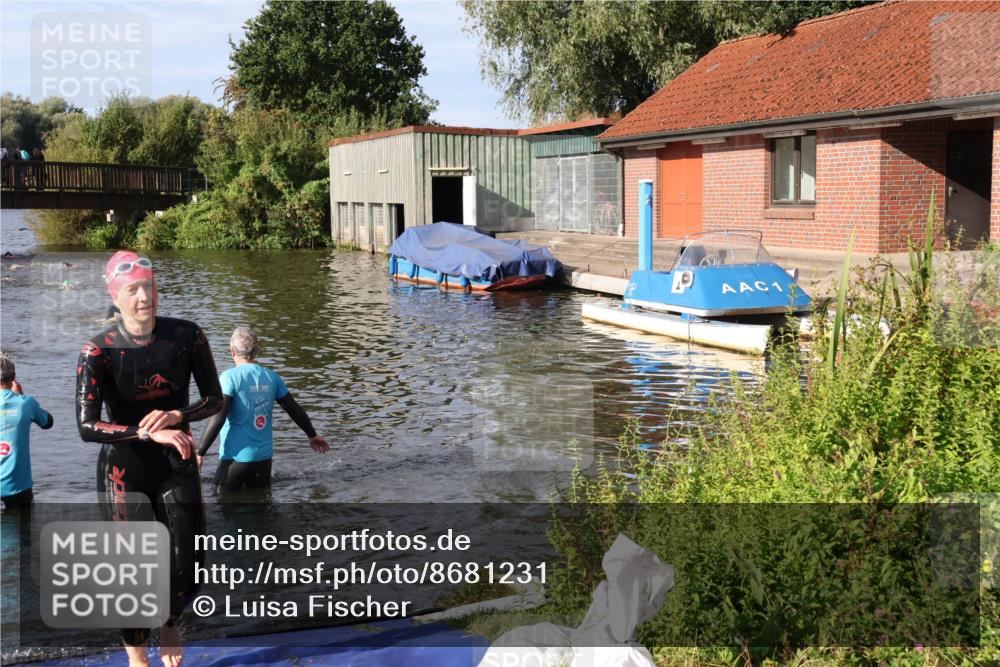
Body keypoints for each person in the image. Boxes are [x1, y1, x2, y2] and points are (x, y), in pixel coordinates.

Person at [76, 250, 222, 667]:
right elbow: (87, 426)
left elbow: (214, 399)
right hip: (125, 470)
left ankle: (172, 622)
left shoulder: (186, 336)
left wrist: (178, 414)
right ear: (116, 297)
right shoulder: (98, 351)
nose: (145, 297)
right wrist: (143, 430)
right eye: (134, 289)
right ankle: (138, 659)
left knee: (189, 565)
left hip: (175, 464)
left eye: (150, 286)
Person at [198, 326, 329, 494]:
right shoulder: (271, 377)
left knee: (222, 507)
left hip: (236, 459)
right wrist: (312, 435)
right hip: (264, 460)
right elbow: (294, 409)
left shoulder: (229, 377)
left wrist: (200, 452)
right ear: (256, 351)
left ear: (231, 351)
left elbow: (219, 417)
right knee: (261, 508)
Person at [1, 354, 54, 509]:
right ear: (14, 377)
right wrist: (21, 396)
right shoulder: (25, 403)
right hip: (17, 485)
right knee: (24, 529)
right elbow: (47, 422)